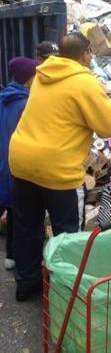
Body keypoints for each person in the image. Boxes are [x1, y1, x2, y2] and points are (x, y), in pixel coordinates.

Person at [9, 33, 111, 301]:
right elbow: (109, 126)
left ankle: (27, 285)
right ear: (85, 53)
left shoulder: (41, 75)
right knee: (67, 234)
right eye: (91, 52)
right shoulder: (84, 82)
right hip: (57, 168)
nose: (92, 57)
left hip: (23, 160)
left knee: (27, 226)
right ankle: (64, 292)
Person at [0, 57, 39, 270]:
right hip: (17, 163)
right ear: (27, 79)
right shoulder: (26, 103)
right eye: (35, 76)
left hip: (3, 160)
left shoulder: (4, 98)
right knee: (20, 213)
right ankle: (16, 256)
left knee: (12, 208)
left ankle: (10, 254)